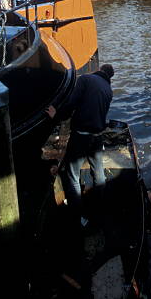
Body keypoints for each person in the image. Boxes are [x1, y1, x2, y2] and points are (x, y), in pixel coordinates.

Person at [46, 63, 114, 224]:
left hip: (81, 135)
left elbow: (72, 103)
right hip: (97, 137)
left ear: (98, 70)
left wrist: (56, 115)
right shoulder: (108, 91)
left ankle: (76, 214)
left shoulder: (86, 79)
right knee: (98, 173)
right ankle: (99, 207)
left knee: (71, 175)